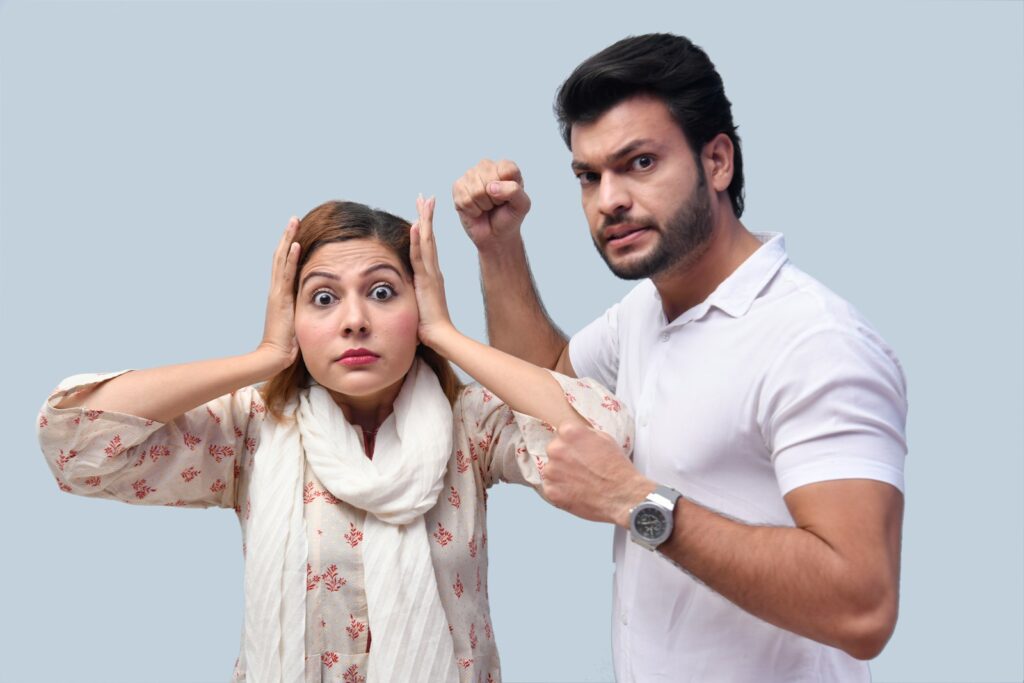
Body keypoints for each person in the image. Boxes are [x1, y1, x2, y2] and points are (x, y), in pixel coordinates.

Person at [453, 33, 908, 682]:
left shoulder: (815, 343)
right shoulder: (647, 310)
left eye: (639, 163)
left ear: (716, 161)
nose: (608, 199)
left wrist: (635, 500)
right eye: (589, 176)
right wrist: (499, 247)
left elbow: (863, 608)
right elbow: (548, 386)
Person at [36, 196, 632, 683]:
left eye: (383, 292)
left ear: (419, 306)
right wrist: (263, 357)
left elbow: (605, 435)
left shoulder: (471, 425)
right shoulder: (252, 428)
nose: (354, 320)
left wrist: (447, 334)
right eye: (322, 298)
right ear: (291, 315)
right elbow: (74, 441)